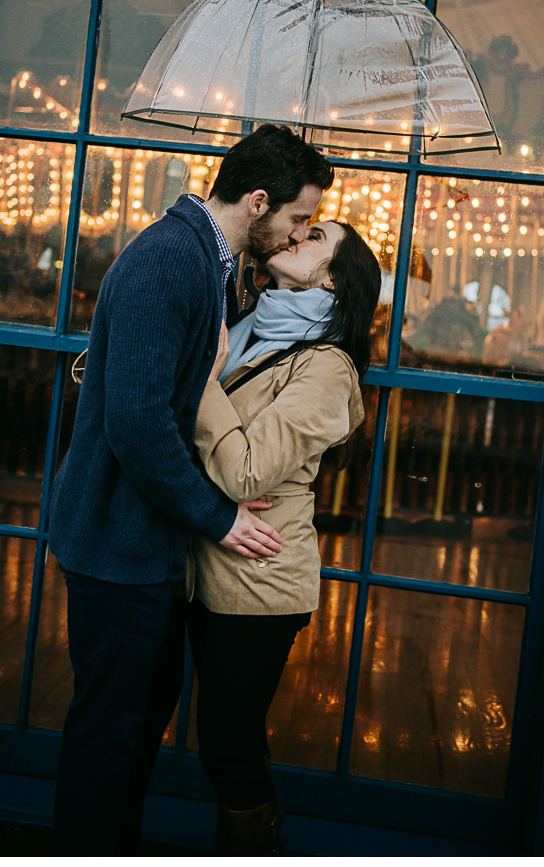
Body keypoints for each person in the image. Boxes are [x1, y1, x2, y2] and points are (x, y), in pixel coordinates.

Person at [47, 124, 334, 855]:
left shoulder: (211, 268)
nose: (298, 233)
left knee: (138, 727)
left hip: (150, 547)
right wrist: (219, 518)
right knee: (110, 735)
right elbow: (138, 425)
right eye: (298, 219)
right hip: (117, 543)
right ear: (259, 201)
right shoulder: (169, 261)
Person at [187, 219, 382, 855]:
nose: (296, 236)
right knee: (229, 735)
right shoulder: (252, 326)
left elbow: (245, 471)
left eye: (315, 236)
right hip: (206, 560)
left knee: (227, 748)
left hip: (259, 579)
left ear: (332, 276)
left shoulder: (326, 368)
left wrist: (205, 377)